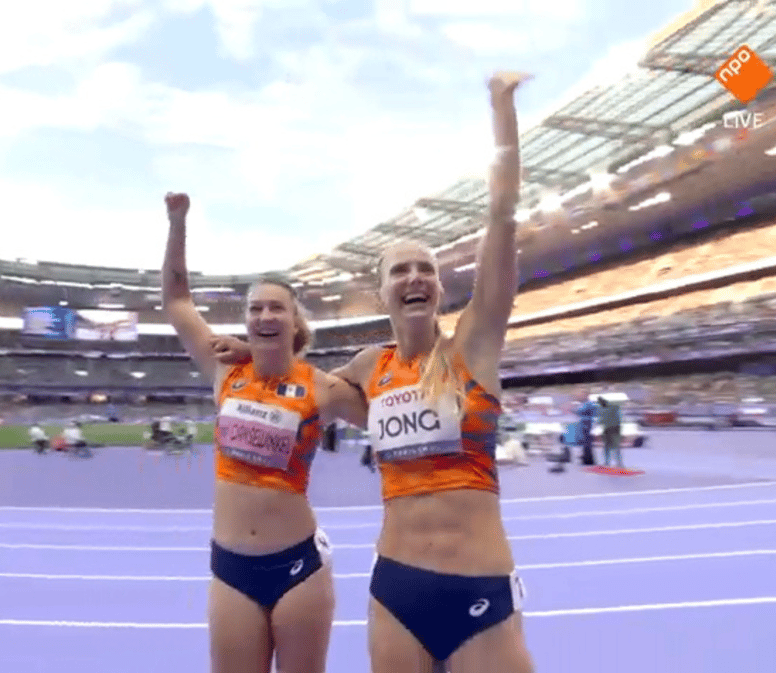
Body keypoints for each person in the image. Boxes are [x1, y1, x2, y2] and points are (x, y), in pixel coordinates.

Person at [212, 72, 535, 672]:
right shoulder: (366, 369)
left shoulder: (475, 345)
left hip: (480, 589)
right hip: (396, 594)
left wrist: (501, 109)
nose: (414, 277)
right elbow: (294, 388)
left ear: (439, 286)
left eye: (425, 268)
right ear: (382, 292)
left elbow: (503, 216)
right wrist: (252, 354)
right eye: (400, 270)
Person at [160, 191, 366, 673]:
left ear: (295, 322)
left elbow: (387, 409)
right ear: (247, 320)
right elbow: (176, 299)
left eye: (277, 308)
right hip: (231, 569)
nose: (265, 316)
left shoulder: (323, 388)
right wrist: (177, 223)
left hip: (299, 569)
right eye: (256, 309)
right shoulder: (224, 369)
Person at [598, 397, 623, 468]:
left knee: (610, 446)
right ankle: (615, 462)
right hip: (612, 429)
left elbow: (601, 420)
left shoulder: (609, 408)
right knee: (612, 446)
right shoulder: (613, 408)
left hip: (611, 429)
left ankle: (610, 462)